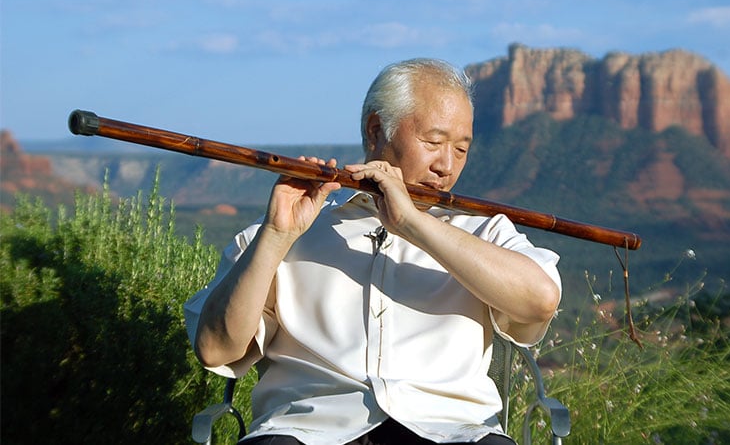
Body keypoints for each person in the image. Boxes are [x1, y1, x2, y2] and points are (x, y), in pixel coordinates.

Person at [184, 58, 562, 445]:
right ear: (376, 129)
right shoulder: (280, 233)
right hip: (307, 434)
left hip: (454, 434)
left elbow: (541, 301)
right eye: (433, 142)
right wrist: (278, 235)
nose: (446, 166)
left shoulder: (485, 232)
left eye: (461, 149)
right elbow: (215, 349)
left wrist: (414, 224)